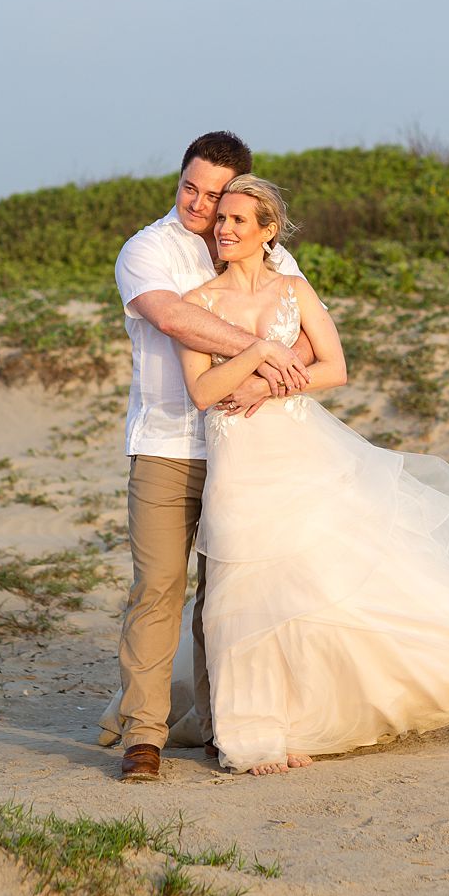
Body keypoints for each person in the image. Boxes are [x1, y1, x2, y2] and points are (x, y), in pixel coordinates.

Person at [179, 176, 449, 773]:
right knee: (243, 589)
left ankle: (305, 721)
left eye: (238, 220)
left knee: (305, 582)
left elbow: (335, 367)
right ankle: (254, 733)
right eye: (221, 219)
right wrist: (259, 353)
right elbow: (204, 391)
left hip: (297, 448)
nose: (224, 229)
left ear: (268, 232)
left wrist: (266, 383)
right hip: (237, 456)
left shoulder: (294, 290)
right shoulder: (197, 303)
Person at [98, 131, 314, 782]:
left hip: (245, 450)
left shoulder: (268, 252)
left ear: (240, 197)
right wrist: (260, 349)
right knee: (159, 586)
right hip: (166, 444)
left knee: (227, 595)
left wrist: (273, 369)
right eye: (188, 186)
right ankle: (144, 736)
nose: (198, 204)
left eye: (214, 194)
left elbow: (304, 333)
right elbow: (173, 318)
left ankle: (228, 728)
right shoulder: (148, 249)